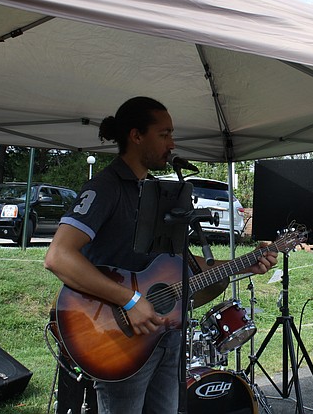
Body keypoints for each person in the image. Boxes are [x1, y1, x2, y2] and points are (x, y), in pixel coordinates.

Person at [44, 96, 278, 414]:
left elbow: (188, 267)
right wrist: (130, 300)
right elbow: (58, 256)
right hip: (116, 335)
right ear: (136, 135)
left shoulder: (159, 191)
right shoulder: (105, 188)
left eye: (171, 134)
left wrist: (247, 263)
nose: (172, 143)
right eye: (164, 134)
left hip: (166, 336)